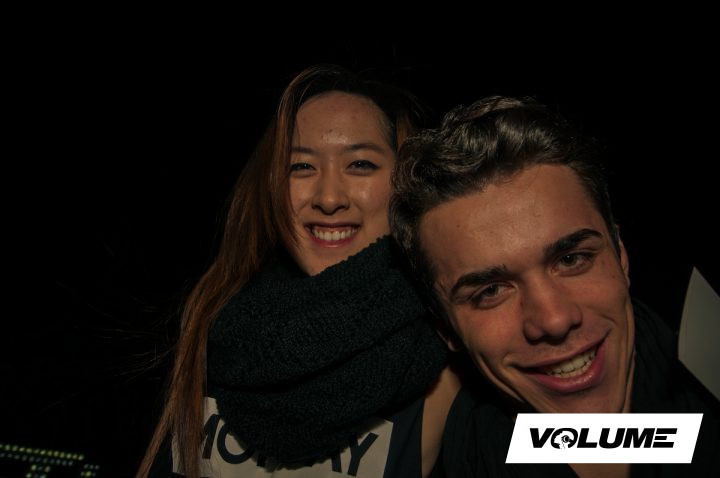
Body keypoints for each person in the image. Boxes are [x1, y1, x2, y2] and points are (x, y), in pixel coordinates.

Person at [136, 65, 461, 478]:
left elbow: (541, 444)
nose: (329, 198)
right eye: (301, 167)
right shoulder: (208, 325)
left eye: (360, 164)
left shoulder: (449, 345)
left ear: (405, 183)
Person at [390, 96, 720, 477]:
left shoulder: (705, 380)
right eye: (490, 291)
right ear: (446, 328)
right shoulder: (466, 455)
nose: (554, 319)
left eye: (571, 259)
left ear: (620, 255)